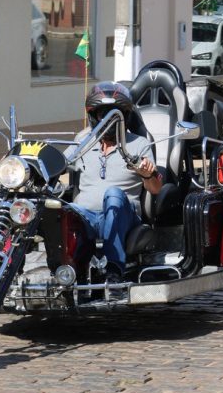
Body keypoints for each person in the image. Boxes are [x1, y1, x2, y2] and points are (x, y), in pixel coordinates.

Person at [66, 82, 162, 280]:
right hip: (86, 216)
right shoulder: (83, 142)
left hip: (123, 216)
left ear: (125, 117)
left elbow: (155, 189)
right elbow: (57, 163)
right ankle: (66, 271)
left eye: (115, 114)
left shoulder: (139, 143)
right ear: (94, 117)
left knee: (113, 194)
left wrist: (147, 174)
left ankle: (114, 271)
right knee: (62, 209)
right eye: (104, 114)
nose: (109, 120)